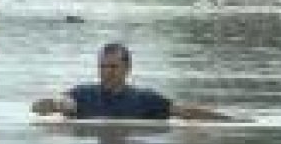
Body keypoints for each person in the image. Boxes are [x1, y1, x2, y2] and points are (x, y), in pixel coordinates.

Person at [31, 42, 245, 121]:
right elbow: (59, 103)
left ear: (127, 69)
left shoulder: (144, 99)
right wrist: (53, 104)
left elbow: (185, 111)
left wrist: (231, 120)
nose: (107, 72)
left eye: (113, 67)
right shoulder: (83, 94)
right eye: (102, 66)